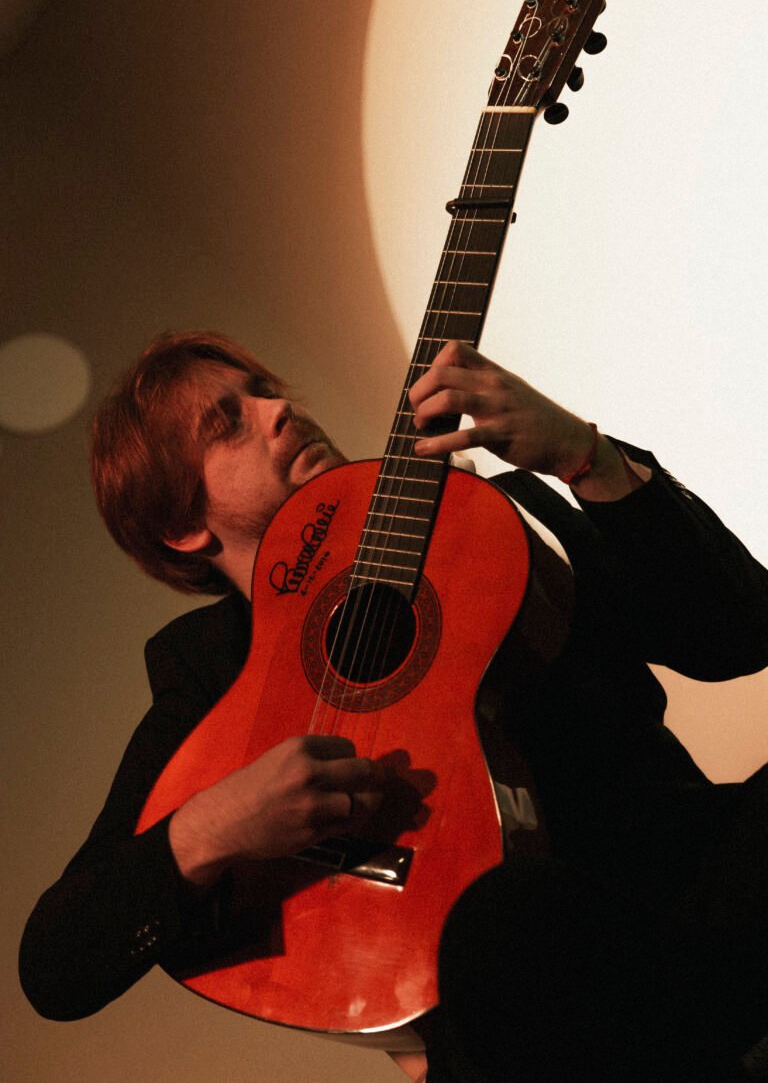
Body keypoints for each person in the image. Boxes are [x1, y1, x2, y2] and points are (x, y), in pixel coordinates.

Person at [19, 329, 768, 1083]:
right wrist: (215, 825)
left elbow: (739, 635)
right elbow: (56, 963)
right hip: (521, 988)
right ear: (182, 527)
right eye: (228, 424)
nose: (278, 410)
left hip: (695, 893)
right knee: (502, 920)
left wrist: (586, 456)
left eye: (265, 391)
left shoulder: (492, 511)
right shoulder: (208, 668)